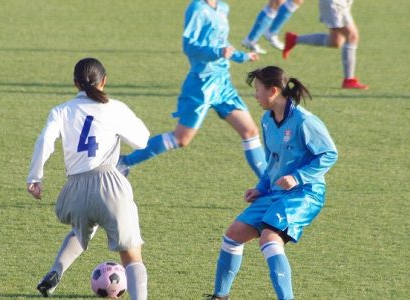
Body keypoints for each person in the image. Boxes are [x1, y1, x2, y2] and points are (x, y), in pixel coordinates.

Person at [206, 66, 338, 300]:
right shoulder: (267, 119)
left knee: (269, 238)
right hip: (275, 192)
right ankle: (220, 296)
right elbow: (273, 161)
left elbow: (329, 154)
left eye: (257, 89)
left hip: (304, 194)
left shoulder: (304, 121)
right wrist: (261, 187)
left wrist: (298, 177)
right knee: (234, 234)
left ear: (274, 91)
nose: (255, 95)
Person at [26, 58, 150, 299]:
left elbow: (45, 141)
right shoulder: (114, 108)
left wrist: (35, 177)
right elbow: (143, 141)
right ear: (104, 81)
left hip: (74, 190)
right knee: (132, 256)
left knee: (81, 230)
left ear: (75, 84)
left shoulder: (61, 111)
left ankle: (55, 272)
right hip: (109, 185)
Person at [117, 0, 267, 179]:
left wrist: (242, 56)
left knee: (250, 131)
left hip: (223, 84)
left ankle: (269, 183)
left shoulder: (223, 7)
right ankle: (124, 162)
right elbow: (189, 46)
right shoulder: (197, 8)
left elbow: (222, 41)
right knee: (181, 138)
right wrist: (216, 52)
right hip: (202, 84)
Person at [282, 0, 368, 89]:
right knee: (352, 36)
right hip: (335, 2)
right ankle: (349, 80)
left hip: (343, 2)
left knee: (335, 41)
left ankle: (293, 39)